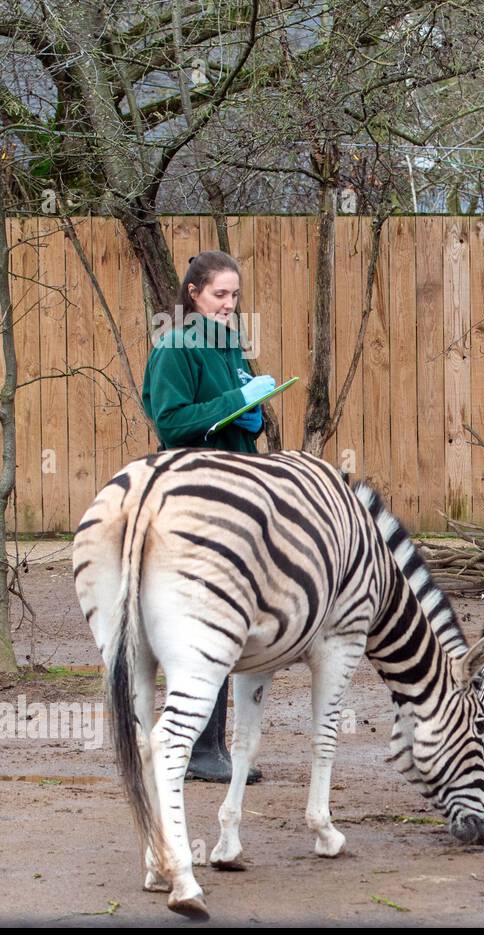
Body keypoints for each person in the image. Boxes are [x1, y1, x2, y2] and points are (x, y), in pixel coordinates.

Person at [141, 250, 277, 782]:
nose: (229, 303)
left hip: (239, 493)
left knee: (234, 620)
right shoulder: (175, 345)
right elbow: (172, 423)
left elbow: (235, 421)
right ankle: (198, 750)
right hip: (198, 497)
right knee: (207, 621)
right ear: (193, 292)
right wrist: (232, 404)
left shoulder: (228, 345)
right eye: (220, 293)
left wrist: (252, 414)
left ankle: (215, 748)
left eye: (235, 295)